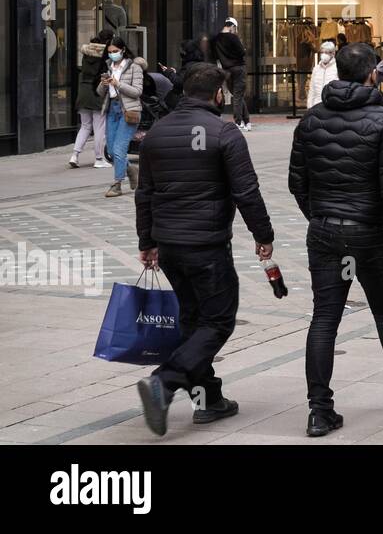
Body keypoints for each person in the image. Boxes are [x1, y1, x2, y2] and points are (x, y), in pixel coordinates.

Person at [289, 43, 383, 437]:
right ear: (372, 73)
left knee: (324, 318)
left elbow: (296, 182)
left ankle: (319, 411)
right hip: (370, 234)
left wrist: (321, 216)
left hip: (324, 232)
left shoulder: (311, 120)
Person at [133, 64, 275, 437]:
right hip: (207, 245)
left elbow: (144, 193)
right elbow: (246, 191)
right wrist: (264, 235)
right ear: (217, 95)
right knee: (218, 320)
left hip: (169, 245)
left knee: (195, 322)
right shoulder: (225, 132)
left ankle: (209, 399)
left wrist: (146, 241)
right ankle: (164, 382)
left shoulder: (157, 132)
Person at [97, 36, 146, 198]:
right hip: (112, 109)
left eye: (115, 51)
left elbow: (137, 92)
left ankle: (117, 184)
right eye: (110, 52)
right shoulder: (109, 66)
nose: (112, 55)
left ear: (123, 50)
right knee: (111, 150)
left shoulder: (134, 67)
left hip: (129, 111)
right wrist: (103, 84)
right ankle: (132, 170)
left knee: (119, 150)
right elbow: (99, 93)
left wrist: (118, 84)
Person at [70, 29, 114, 169]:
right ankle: (99, 158)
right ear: (108, 40)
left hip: (83, 90)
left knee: (85, 126)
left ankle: (75, 156)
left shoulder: (87, 51)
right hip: (97, 91)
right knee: (99, 126)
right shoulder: (105, 54)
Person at [210, 18, 250, 131]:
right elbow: (242, 52)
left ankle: (246, 121)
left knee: (237, 96)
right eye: (235, 28)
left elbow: (216, 55)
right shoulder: (233, 37)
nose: (235, 31)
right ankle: (239, 122)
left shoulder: (216, 39)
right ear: (232, 26)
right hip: (239, 68)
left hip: (227, 70)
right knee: (238, 96)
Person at [306, 40, 338, 109]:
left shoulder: (337, 68)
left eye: (326, 52)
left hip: (332, 106)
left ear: (333, 53)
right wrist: (310, 105)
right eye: (322, 52)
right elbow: (312, 89)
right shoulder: (316, 69)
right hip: (316, 105)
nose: (323, 54)